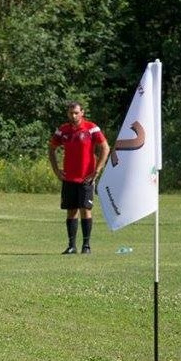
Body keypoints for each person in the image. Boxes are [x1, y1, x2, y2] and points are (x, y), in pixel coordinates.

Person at [48, 101, 110, 254]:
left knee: (85, 209)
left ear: (82, 112)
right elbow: (51, 148)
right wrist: (56, 169)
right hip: (69, 178)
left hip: (86, 178)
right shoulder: (63, 130)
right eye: (70, 113)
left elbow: (105, 148)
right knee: (71, 210)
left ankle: (86, 246)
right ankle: (71, 246)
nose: (73, 115)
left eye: (76, 112)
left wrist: (97, 170)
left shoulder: (91, 128)